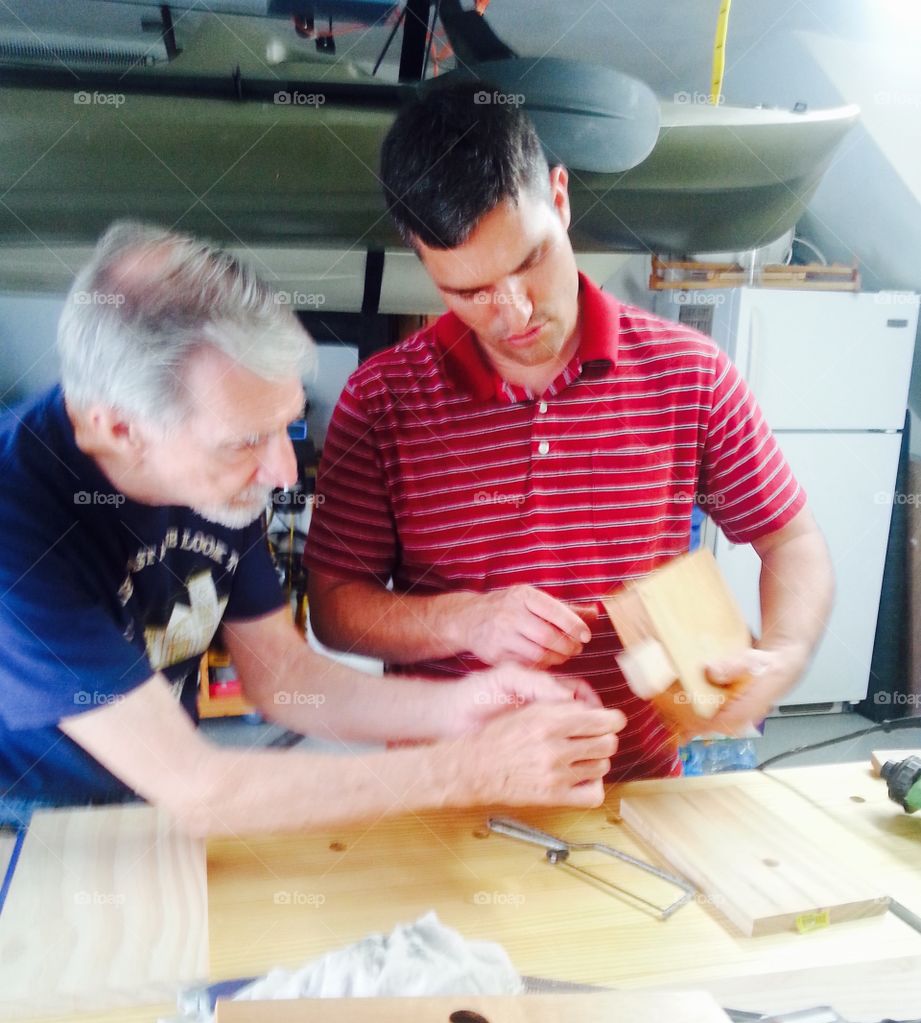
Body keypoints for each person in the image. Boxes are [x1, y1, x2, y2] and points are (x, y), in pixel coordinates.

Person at [0, 221, 625, 835]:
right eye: (247, 440)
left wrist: (466, 706)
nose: (281, 471)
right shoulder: (18, 530)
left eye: (285, 425)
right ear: (117, 430)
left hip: (149, 816)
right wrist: (470, 770)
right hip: (28, 827)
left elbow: (285, 678)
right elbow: (199, 790)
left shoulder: (216, 473)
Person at [305, 84, 834, 780]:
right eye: (469, 292)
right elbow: (335, 607)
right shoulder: (381, 402)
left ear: (558, 197)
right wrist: (464, 620)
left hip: (632, 783)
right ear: (423, 263)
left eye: (528, 260)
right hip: (445, 788)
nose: (514, 312)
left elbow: (790, 540)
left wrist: (785, 652)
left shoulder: (688, 373)